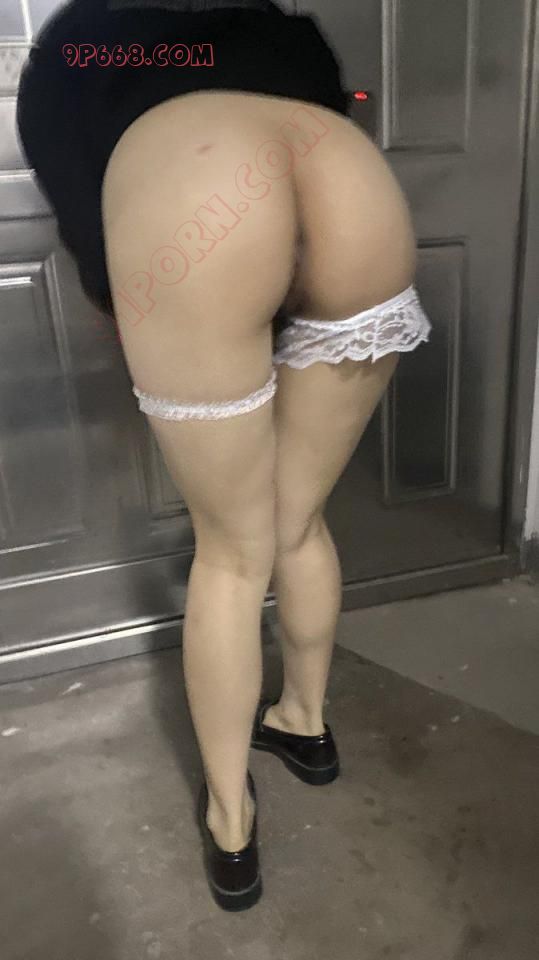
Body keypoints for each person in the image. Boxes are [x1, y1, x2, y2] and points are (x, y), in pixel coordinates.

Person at [16, 0, 432, 912]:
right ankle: (305, 725)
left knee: (232, 554)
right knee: (298, 520)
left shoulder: (78, 35)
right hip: (346, 175)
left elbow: (76, 177)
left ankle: (232, 825)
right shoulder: (270, 20)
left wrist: (128, 284)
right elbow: (325, 95)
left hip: (195, 195)